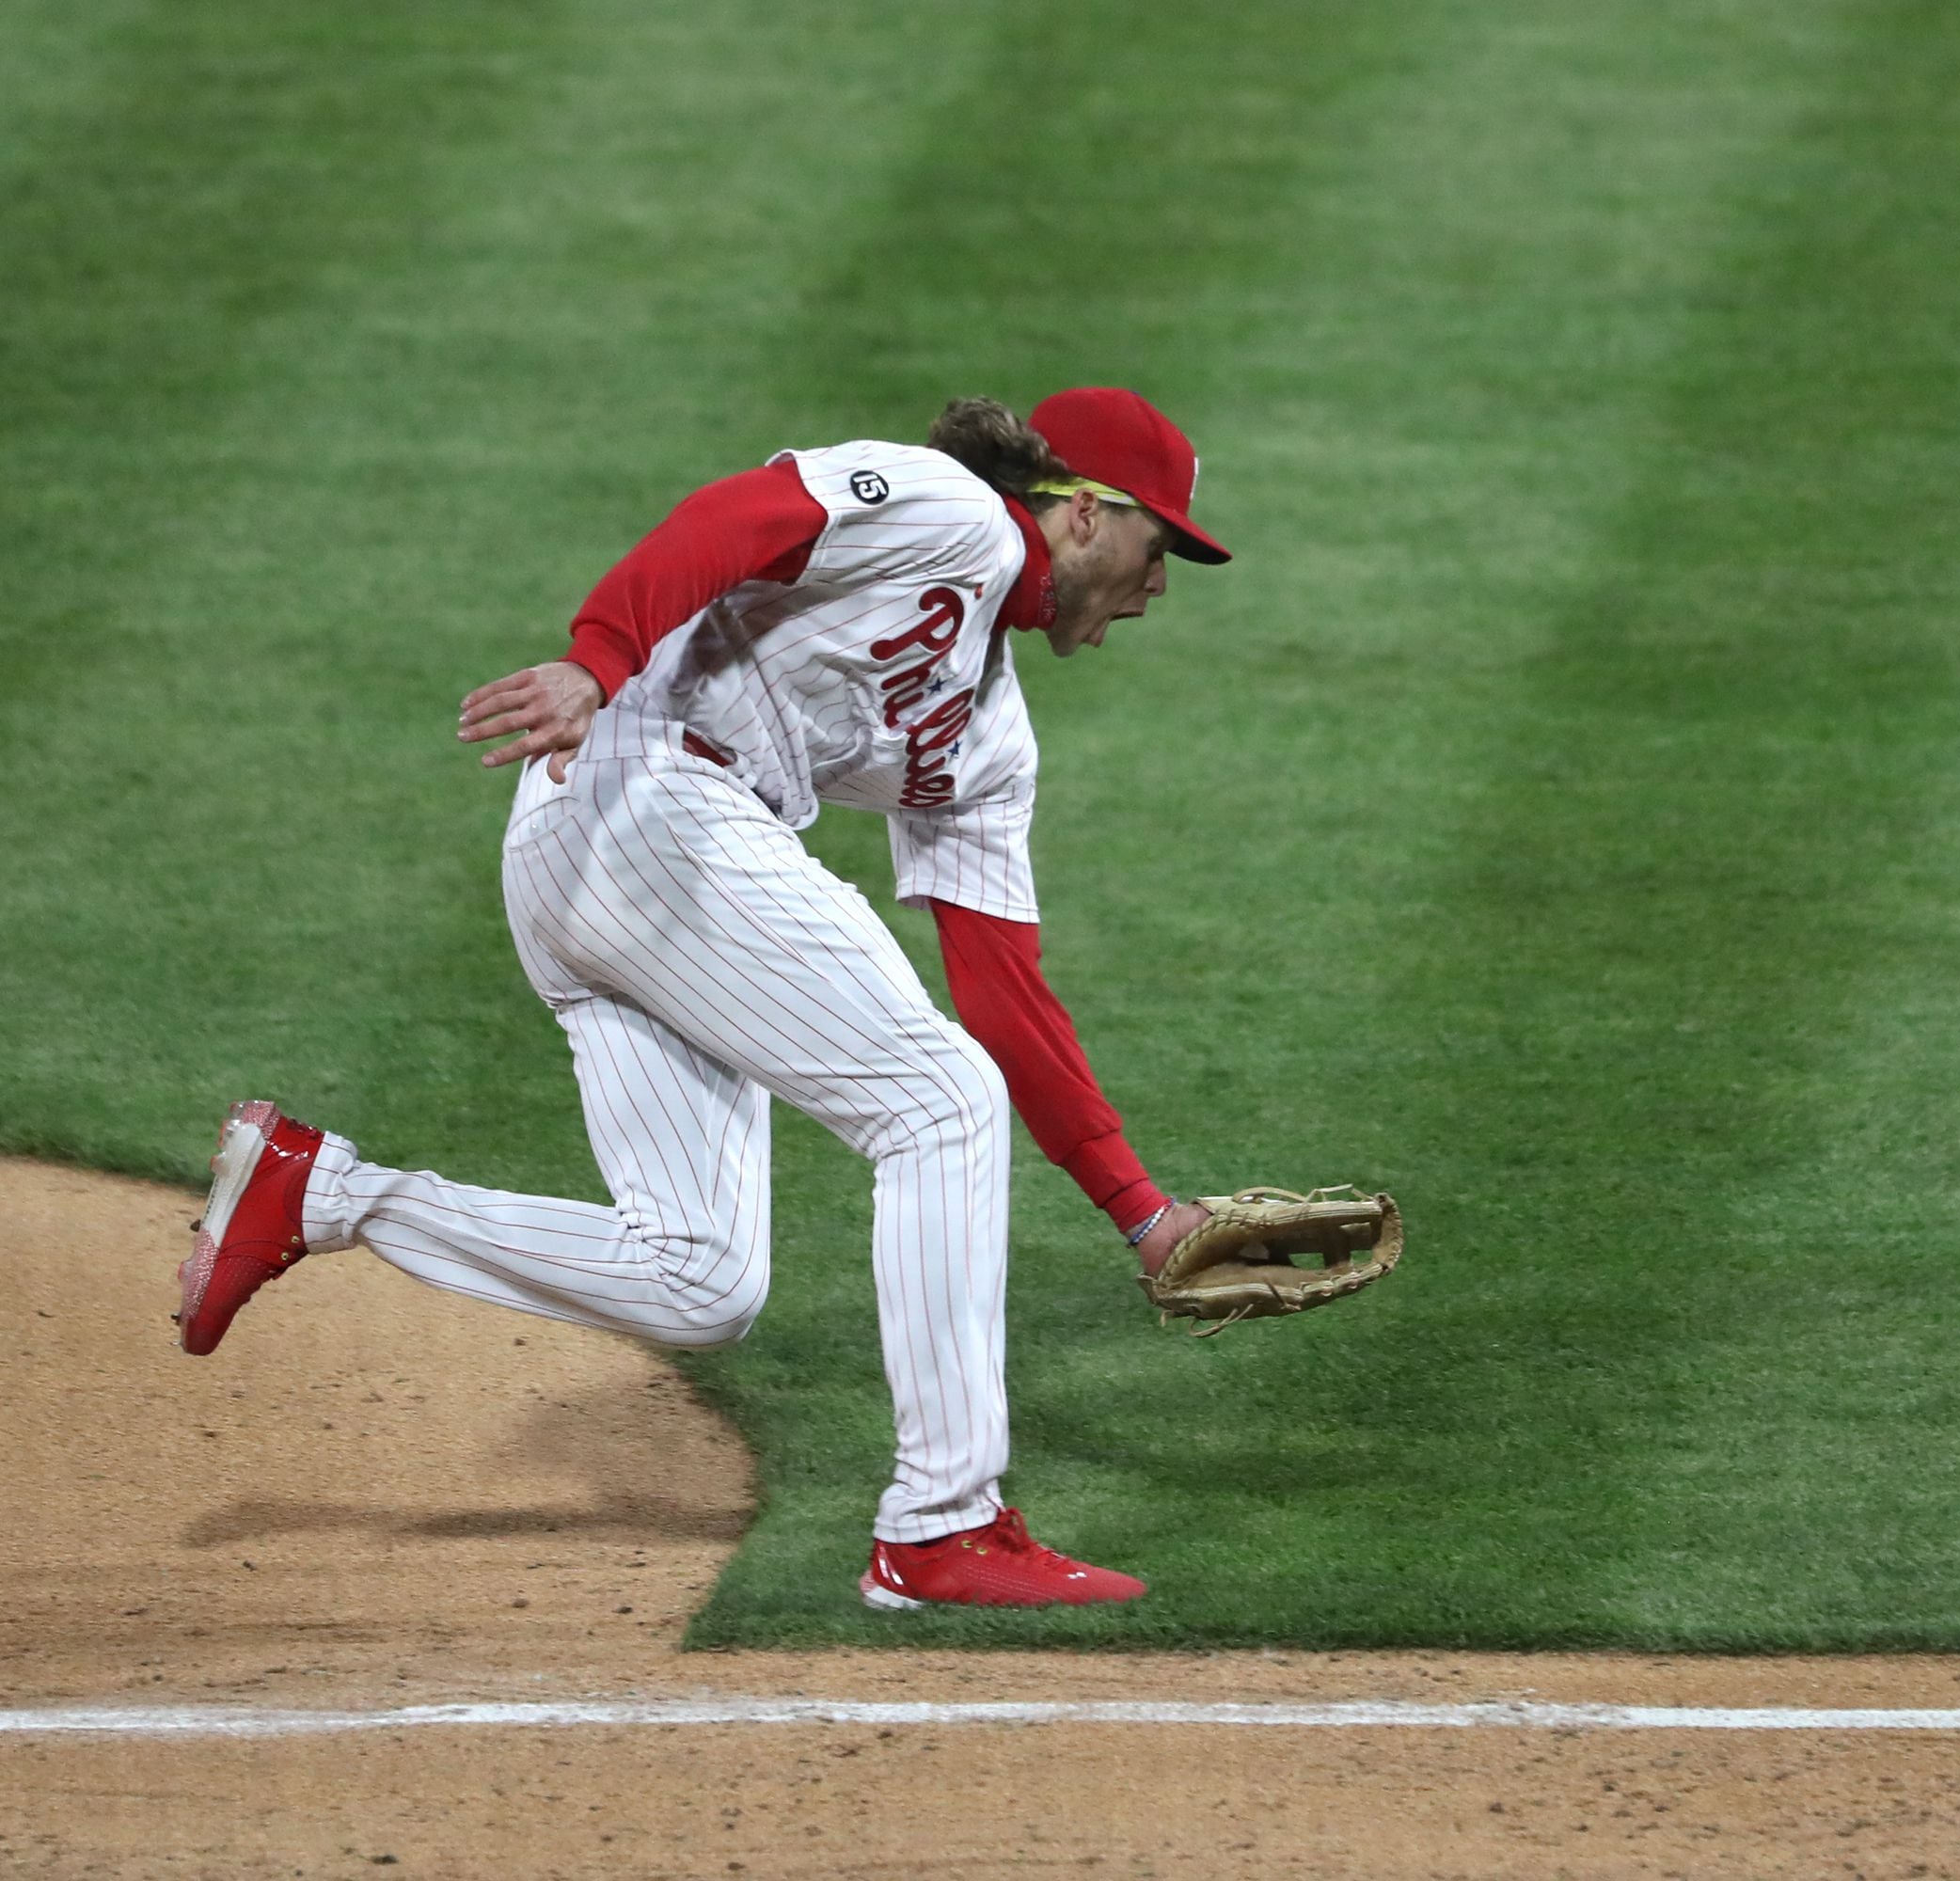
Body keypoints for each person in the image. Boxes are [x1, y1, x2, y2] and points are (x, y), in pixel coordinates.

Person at [176, 388, 1231, 1609]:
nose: (1161, 588)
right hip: (643, 791)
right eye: (1164, 552)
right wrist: (597, 658)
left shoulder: (990, 743)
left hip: (623, 865)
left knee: (700, 1280)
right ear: (1089, 513)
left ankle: (325, 1191)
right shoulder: (955, 513)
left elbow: (1006, 989)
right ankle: (944, 1527)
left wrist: (1142, 1214)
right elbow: (744, 514)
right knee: (938, 1106)